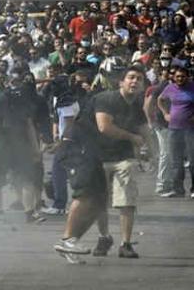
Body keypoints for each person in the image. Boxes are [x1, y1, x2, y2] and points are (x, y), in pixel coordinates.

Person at [54, 66, 149, 263]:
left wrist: (147, 152)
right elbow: (104, 127)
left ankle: (70, 245)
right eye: (131, 77)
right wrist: (134, 138)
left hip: (98, 155)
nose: (135, 81)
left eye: (139, 79)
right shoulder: (108, 98)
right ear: (121, 82)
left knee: (96, 201)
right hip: (78, 148)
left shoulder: (135, 105)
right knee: (85, 196)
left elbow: (144, 131)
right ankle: (68, 240)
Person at [0, 70, 44, 223]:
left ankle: (30, 213)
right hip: (0, 147)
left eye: (18, 83)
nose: (15, 87)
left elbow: (30, 127)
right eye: (13, 83)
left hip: (21, 147)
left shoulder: (24, 103)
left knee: (27, 179)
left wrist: (35, 149)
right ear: (6, 84)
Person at [157, 66, 194, 198]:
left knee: (192, 160)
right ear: (174, 77)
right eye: (177, 76)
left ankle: (193, 189)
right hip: (174, 129)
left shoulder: (192, 87)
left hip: (190, 129)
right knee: (176, 161)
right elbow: (160, 100)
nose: (180, 79)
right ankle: (178, 189)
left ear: (187, 77)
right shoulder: (170, 88)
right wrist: (165, 113)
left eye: (182, 76)